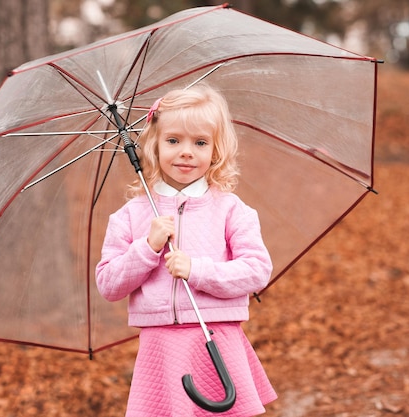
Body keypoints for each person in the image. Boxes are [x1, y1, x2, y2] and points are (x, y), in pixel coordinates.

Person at [96, 85, 277, 416]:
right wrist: (147, 249)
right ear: (153, 146)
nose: (186, 152)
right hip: (162, 346)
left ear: (216, 150)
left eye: (200, 143)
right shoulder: (131, 216)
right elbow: (108, 283)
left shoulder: (230, 210)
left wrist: (198, 270)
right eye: (173, 140)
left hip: (217, 337)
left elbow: (256, 269)